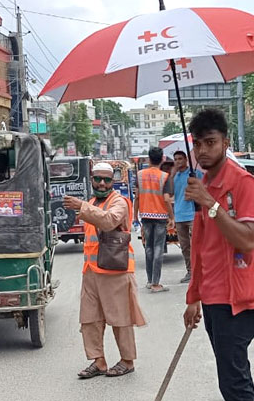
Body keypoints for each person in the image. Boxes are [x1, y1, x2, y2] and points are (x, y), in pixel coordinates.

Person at [182, 108, 254, 401]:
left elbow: (248, 240)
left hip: (239, 295)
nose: (202, 150)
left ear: (226, 143)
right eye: (197, 144)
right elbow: (202, 248)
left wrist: (210, 203)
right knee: (230, 375)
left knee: (234, 380)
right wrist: (193, 297)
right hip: (213, 295)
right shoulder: (202, 183)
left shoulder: (243, 182)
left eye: (210, 142)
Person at [63, 162, 146, 379]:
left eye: (107, 179)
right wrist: (85, 206)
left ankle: (127, 361)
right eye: (97, 179)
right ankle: (98, 361)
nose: (102, 183)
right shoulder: (92, 202)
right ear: (91, 179)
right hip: (91, 271)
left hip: (115, 271)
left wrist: (82, 206)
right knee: (89, 319)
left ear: (114, 181)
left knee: (120, 318)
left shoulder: (119, 202)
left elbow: (109, 221)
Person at [134, 147, 174, 293]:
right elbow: (167, 199)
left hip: (145, 216)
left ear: (149, 159)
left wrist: (134, 216)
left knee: (148, 248)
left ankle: (150, 280)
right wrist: (172, 217)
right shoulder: (164, 176)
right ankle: (156, 283)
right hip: (161, 218)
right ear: (162, 159)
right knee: (158, 248)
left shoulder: (139, 175)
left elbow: (137, 196)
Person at [165, 151, 203, 283]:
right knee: (185, 246)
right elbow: (169, 193)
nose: (178, 161)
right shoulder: (174, 177)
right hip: (179, 216)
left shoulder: (195, 173)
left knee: (197, 245)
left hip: (193, 214)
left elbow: (204, 189)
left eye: (180, 158)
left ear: (186, 159)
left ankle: (200, 271)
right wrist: (172, 176)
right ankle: (190, 271)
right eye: (175, 159)